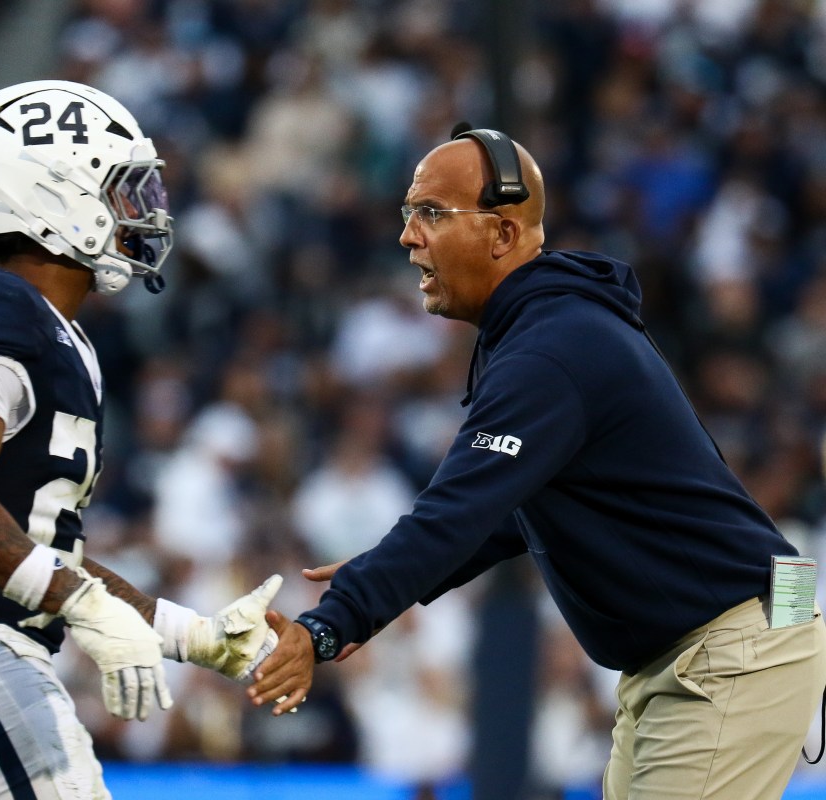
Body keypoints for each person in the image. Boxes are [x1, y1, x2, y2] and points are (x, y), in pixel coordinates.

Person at [249, 126, 826, 800]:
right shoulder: (545, 332)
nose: (409, 236)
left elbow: (458, 509)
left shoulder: (550, 349)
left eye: (431, 213)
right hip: (705, 644)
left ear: (501, 235)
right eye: (409, 214)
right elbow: (500, 515)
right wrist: (387, 573)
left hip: (730, 646)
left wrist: (332, 620)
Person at [0, 79, 282, 800]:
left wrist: (195, 636)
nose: (141, 212)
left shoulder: (46, 325)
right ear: (50, 195)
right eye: (121, 190)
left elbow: (43, 552)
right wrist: (82, 605)